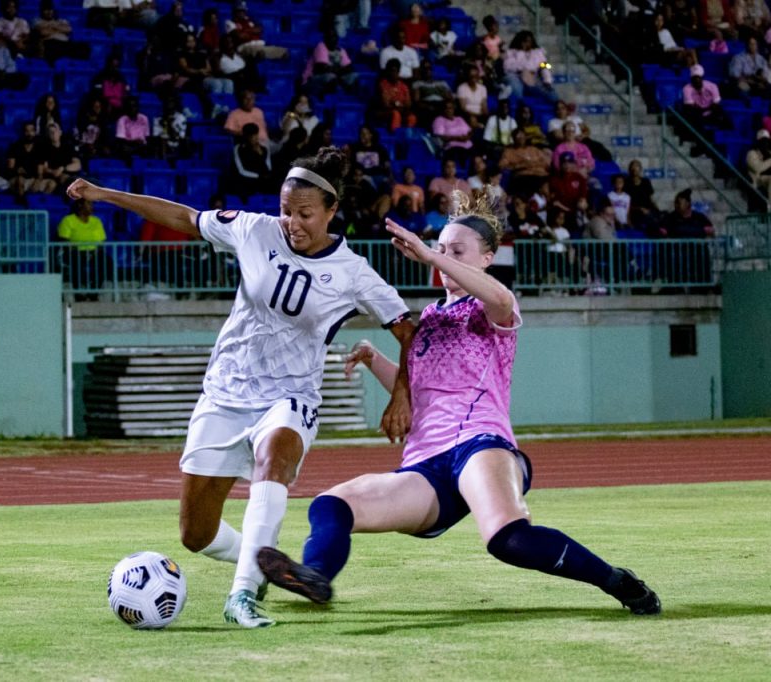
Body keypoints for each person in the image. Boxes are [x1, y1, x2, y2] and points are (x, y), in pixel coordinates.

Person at [255, 192, 662, 618]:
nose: (444, 258)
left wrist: (432, 255)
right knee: (331, 505)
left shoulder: (489, 307)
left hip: (478, 442)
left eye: (457, 251)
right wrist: (375, 358)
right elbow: (421, 390)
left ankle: (616, 580)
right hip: (426, 461)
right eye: (442, 248)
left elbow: (503, 301)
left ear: (486, 259)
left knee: (508, 540)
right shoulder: (429, 316)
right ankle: (315, 577)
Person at [66, 147, 417, 628]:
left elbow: (408, 329)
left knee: (274, 456)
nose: (292, 222)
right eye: (286, 209)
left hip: (290, 397)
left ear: (333, 211)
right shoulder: (254, 230)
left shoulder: (353, 273)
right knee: (196, 533)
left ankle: (243, 597)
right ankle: (262, 565)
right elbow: (185, 217)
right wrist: (104, 195)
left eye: (305, 214)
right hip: (225, 394)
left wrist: (403, 394)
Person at [57, 198, 108, 292]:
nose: (92, 207)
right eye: (89, 204)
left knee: (106, 261)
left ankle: (94, 291)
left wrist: (94, 252)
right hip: (74, 252)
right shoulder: (68, 220)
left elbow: (101, 242)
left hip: (93, 252)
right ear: (80, 206)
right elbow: (64, 241)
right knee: (76, 260)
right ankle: (78, 293)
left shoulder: (96, 221)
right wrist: (77, 251)